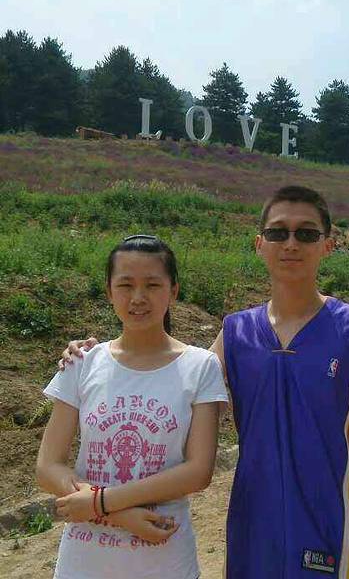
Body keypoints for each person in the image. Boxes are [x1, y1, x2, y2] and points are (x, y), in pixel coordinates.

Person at [60, 186, 349, 579]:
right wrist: (99, 355)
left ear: (328, 245)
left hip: (335, 519)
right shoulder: (237, 332)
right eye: (278, 232)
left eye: (306, 233)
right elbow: (171, 380)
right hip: (254, 522)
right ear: (260, 244)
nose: (291, 244)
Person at [38, 235, 228, 579]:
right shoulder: (83, 362)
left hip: (165, 562)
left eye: (152, 285)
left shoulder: (200, 366)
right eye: (125, 285)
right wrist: (117, 514)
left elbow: (199, 471)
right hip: (83, 564)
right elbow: (48, 465)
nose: (138, 297)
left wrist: (99, 502)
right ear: (109, 292)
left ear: (173, 291)